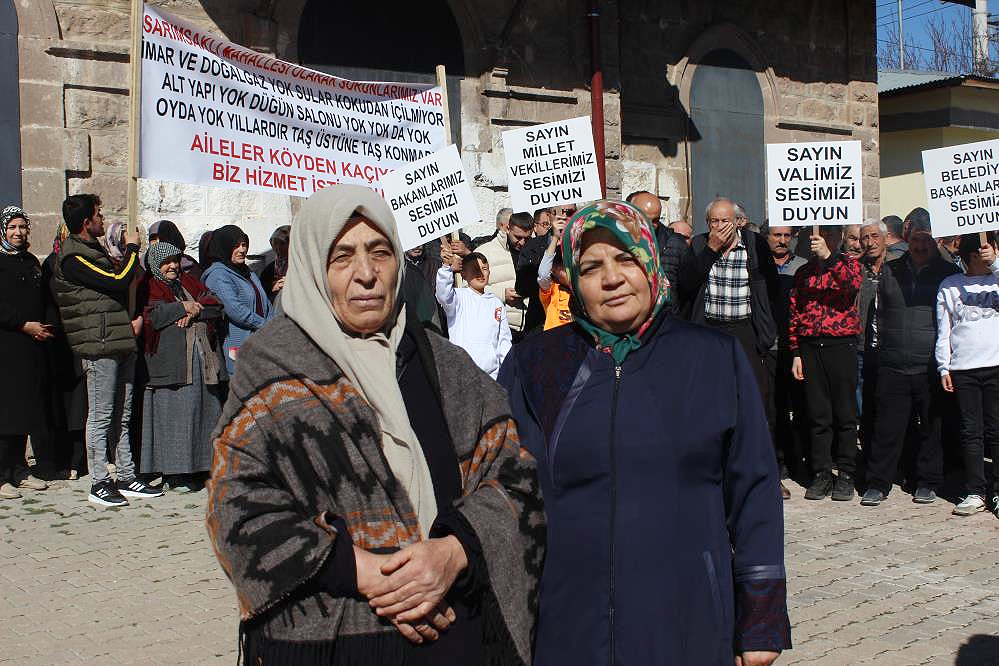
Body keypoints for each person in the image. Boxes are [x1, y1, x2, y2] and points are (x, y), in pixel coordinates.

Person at [206, 184, 544, 665]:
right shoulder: (272, 367)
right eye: (341, 256)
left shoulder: (446, 367)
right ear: (311, 266)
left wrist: (455, 552)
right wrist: (363, 570)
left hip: (453, 634)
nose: (365, 274)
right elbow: (235, 507)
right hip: (329, 644)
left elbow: (517, 478)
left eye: (379, 251)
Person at [498, 200, 790, 666]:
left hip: (686, 618)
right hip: (568, 622)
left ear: (650, 263)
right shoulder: (535, 366)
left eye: (626, 259)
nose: (612, 278)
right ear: (571, 280)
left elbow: (753, 487)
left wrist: (760, 620)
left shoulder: (714, 359)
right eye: (591, 266)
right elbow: (506, 493)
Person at [52, 194, 162, 506]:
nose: (102, 219)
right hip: (99, 343)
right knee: (101, 414)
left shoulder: (93, 249)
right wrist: (132, 248)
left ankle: (126, 475)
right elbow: (117, 280)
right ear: (86, 222)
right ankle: (99, 479)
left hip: (118, 339)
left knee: (122, 413)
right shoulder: (73, 258)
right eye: (98, 215)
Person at [860, 218, 960, 507]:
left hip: (929, 363)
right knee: (886, 428)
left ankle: (927, 482)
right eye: (915, 240)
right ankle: (877, 483)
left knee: (931, 427)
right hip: (893, 361)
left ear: (936, 241)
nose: (919, 245)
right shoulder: (891, 269)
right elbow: (879, 313)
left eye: (926, 240)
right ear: (907, 239)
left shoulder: (948, 273)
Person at [138, 242, 227, 493]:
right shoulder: (151, 285)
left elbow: (215, 304)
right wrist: (181, 307)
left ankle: (200, 470)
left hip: (199, 363)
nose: (172, 266)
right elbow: (151, 315)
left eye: (175, 260)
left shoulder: (188, 282)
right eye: (166, 262)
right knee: (175, 417)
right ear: (156, 264)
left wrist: (194, 311)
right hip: (171, 365)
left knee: (203, 414)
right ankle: (175, 474)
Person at [789, 225, 862, 502]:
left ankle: (845, 473)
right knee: (818, 415)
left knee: (845, 414)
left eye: (830, 235)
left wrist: (830, 257)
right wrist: (796, 350)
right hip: (810, 346)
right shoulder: (803, 272)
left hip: (840, 344)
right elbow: (795, 311)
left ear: (838, 238)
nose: (824, 239)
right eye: (821, 235)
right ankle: (821, 473)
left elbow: (850, 285)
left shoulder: (849, 265)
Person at [678, 197, 777, 392]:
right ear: (708, 223)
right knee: (710, 387)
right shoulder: (700, 243)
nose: (720, 226)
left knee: (750, 388)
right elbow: (686, 284)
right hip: (709, 328)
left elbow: (771, 286)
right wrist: (711, 249)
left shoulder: (754, 244)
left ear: (737, 222)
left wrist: (764, 331)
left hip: (745, 329)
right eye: (715, 221)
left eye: (725, 221)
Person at [937, 233, 999, 517]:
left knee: (996, 431)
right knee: (970, 432)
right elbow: (944, 330)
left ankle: (997, 491)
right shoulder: (950, 285)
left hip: (996, 366)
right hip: (965, 368)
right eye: (985, 251)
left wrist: (996, 264)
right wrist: (943, 366)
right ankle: (977, 490)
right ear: (974, 254)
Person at [0, 206, 52, 498]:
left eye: (22, 227)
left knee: (24, 410)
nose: (18, 233)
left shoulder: (30, 261)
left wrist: (43, 326)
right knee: (6, 412)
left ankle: (19, 469)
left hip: (31, 345)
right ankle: (1, 473)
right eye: (12, 228)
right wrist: (22, 324)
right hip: (7, 345)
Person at [39, 222, 88, 480]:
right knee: (61, 404)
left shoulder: (84, 262)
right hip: (58, 342)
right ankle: (61, 460)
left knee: (79, 405)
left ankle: (78, 462)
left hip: (79, 339)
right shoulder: (52, 263)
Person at [762, 224, 807, 499]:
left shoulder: (802, 266)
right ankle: (776, 462)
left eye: (786, 236)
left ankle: (799, 461)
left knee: (800, 407)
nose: (781, 240)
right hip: (768, 347)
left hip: (795, 349)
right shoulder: (757, 266)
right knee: (772, 409)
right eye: (776, 235)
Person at [201, 225, 274, 376]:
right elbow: (235, 309)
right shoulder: (218, 275)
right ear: (225, 247)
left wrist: (273, 326)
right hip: (238, 343)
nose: (242, 250)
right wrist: (265, 325)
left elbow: (264, 302)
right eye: (236, 246)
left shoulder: (247, 272)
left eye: (244, 245)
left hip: (261, 341)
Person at [435, 241, 511, 379]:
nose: (481, 273)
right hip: (463, 374)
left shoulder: (496, 303)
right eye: (475, 269)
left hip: (492, 377)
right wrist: (446, 267)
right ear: (463, 274)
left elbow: (504, 341)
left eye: (485, 268)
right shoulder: (458, 298)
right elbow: (443, 294)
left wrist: (507, 370)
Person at [856, 221, 888, 457]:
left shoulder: (897, 268)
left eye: (875, 236)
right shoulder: (855, 269)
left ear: (885, 238)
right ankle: (868, 457)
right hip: (860, 348)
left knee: (891, 408)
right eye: (865, 238)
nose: (869, 242)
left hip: (891, 349)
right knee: (865, 406)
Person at [477, 211, 533, 340]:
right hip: (500, 328)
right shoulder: (485, 252)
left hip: (531, 328)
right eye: (518, 237)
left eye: (527, 238)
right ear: (507, 228)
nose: (523, 242)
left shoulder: (535, 250)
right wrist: (502, 294)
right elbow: (468, 288)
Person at [626, 191, 687, 296]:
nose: (649, 225)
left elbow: (687, 288)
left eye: (655, 220)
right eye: (643, 219)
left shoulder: (676, 244)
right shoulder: (614, 241)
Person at [537, 221, 573, 331]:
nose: (569, 271)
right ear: (553, 270)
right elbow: (543, 274)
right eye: (564, 268)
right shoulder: (552, 290)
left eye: (571, 266)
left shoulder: (584, 288)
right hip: (555, 344)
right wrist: (555, 238)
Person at [260, 225, 290, 298]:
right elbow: (262, 289)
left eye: (282, 243)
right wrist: (273, 287)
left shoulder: (301, 265)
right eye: (275, 243)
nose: (278, 248)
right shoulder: (270, 269)